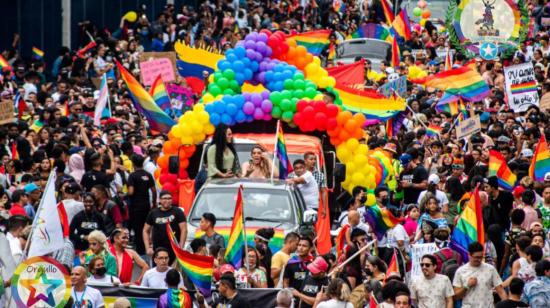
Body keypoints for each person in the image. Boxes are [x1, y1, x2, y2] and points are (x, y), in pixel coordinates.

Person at [453, 242, 507, 307]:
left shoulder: (490, 269)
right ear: (469, 255)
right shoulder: (460, 271)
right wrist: (467, 286)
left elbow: (501, 291)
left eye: (481, 257)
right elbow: (456, 296)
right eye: (476, 257)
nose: (479, 260)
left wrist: (507, 304)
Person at [143, 190, 187, 264]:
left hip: (174, 249)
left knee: (173, 273)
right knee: (158, 272)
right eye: (164, 198)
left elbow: (184, 230)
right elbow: (145, 230)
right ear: (160, 200)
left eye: (169, 198)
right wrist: (147, 248)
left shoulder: (178, 212)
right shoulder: (153, 213)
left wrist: (181, 247)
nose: (167, 200)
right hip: (157, 249)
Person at [128, 154, 157, 255]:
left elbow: (131, 192)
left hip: (135, 207)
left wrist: (125, 194)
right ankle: (148, 246)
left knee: (138, 228)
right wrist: (153, 203)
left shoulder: (132, 176)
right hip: (146, 205)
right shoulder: (147, 175)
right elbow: (154, 190)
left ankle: (141, 250)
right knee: (147, 227)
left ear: (133, 164)